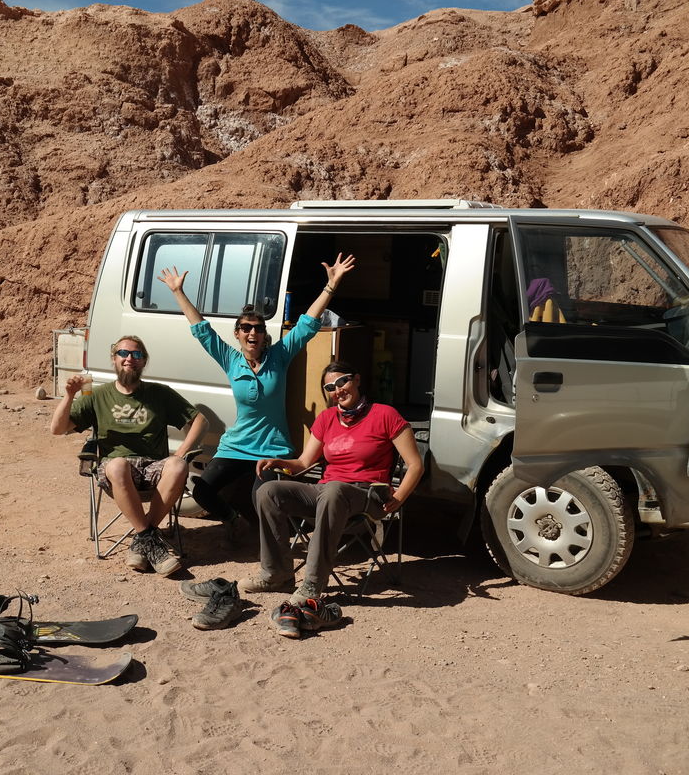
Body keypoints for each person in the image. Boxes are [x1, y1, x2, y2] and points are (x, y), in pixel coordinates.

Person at [156, 253, 356, 525]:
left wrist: (331, 285)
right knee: (202, 490)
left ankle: (265, 537)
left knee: (263, 497)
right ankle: (234, 520)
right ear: (238, 333)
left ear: (264, 335)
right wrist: (178, 292)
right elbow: (202, 330)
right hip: (236, 447)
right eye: (246, 328)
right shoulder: (230, 359)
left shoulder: (280, 355)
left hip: (273, 448)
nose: (253, 333)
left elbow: (307, 324)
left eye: (258, 329)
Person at [246, 360, 424, 605]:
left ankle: (313, 584)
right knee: (269, 491)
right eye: (330, 387)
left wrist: (400, 497)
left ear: (357, 380)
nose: (338, 390)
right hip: (327, 493)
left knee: (333, 490)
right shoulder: (327, 418)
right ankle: (276, 573)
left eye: (342, 381)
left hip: (368, 495)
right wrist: (278, 462)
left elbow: (415, 465)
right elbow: (304, 462)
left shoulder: (385, 414)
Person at [51, 334, 207, 577]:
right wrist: (70, 395)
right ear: (113, 359)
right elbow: (57, 429)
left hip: (153, 467)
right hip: (116, 472)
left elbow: (199, 421)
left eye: (136, 354)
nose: (129, 359)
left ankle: (143, 539)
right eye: (123, 353)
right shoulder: (97, 394)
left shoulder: (160, 394)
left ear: (144, 361)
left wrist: (181, 452)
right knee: (117, 465)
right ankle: (150, 539)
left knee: (177, 466)